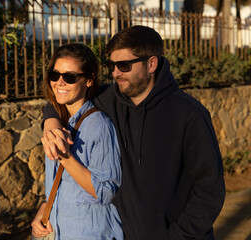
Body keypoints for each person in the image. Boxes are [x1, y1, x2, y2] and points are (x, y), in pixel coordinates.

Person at [42, 26, 225, 239]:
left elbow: (209, 190)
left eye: (124, 65)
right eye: (112, 65)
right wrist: (51, 125)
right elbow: (63, 95)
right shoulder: (110, 98)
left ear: (151, 64)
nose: (115, 73)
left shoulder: (189, 114)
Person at [31, 43, 123, 240]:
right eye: (55, 75)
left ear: (89, 81)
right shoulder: (58, 124)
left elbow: (106, 192)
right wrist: (46, 207)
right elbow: (63, 185)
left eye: (70, 77)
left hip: (91, 233)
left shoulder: (99, 125)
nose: (60, 82)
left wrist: (65, 157)